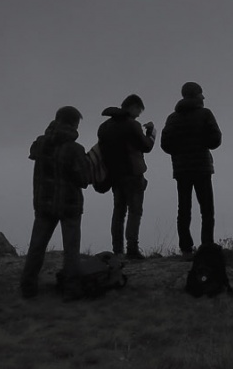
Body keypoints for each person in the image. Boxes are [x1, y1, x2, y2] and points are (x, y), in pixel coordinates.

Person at [21, 106, 89, 300]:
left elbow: (33, 152)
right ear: (74, 124)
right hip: (69, 205)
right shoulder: (75, 149)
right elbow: (84, 179)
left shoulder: (40, 143)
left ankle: (27, 287)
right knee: (71, 250)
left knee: (37, 246)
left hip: (44, 203)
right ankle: (71, 290)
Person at [161, 82, 222, 258]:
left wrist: (179, 151)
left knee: (184, 209)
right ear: (196, 95)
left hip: (181, 169)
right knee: (207, 210)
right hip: (202, 167)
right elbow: (215, 140)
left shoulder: (172, 118)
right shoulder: (205, 114)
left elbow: (165, 144)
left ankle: (186, 249)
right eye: (201, 93)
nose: (203, 97)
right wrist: (202, 142)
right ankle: (207, 247)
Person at [97, 94, 156, 260]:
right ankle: (132, 249)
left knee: (118, 212)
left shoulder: (104, 127)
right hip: (133, 174)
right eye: (139, 110)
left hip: (114, 175)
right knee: (135, 211)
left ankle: (117, 250)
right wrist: (151, 132)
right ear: (133, 107)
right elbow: (146, 146)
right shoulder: (132, 125)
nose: (138, 115)